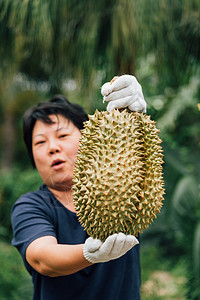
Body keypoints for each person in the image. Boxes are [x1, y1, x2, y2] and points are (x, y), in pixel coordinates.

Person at [11, 75, 147, 300]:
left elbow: (134, 154)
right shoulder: (30, 206)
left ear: (89, 139)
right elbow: (42, 258)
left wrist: (133, 113)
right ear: (32, 157)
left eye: (62, 135)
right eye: (40, 142)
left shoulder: (124, 185)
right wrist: (90, 253)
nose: (52, 147)